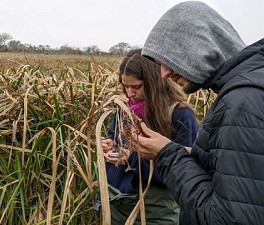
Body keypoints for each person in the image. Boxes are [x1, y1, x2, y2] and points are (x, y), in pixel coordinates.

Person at [133, 1, 264, 224]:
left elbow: (225, 219)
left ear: (198, 46)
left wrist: (168, 155)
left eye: (170, 59)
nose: (164, 74)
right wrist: (190, 154)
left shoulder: (241, 103)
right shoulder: (250, 88)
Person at [100, 49, 199, 225]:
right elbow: (113, 136)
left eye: (136, 87)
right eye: (125, 86)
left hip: (156, 210)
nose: (129, 93)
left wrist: (131, 159)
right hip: (117, 203)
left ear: (154, 83)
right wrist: (110, 147)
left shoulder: (180, 116)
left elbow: (185, 172)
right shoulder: (123, 110)